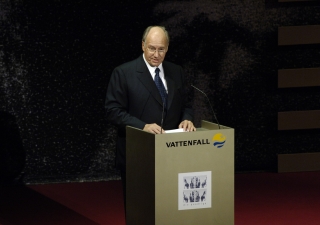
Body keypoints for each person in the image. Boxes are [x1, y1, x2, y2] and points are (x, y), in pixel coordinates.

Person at [105, 25, 196, 207]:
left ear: (167, 48)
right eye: (152, 48)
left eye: (161, 49)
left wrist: (187, 118)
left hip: (172, 153)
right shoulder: (124, 73)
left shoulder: (176, 71)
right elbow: (113, 110)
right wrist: (143, 126)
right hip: (138, 153)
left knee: (170, 207)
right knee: (140, 208)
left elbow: (186, 104)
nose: (156, 54)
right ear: (143, 46)